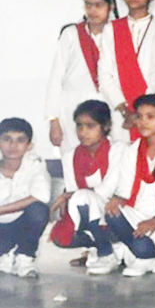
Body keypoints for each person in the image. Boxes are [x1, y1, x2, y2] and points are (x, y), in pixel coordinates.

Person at [91, 94, 155, 277]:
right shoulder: (132, 150)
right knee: (110, 213)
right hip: (137, 214)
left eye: (150, 116)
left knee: (142, 247)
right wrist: (116, 200)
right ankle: (143, 256)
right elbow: (124, 190)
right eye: (139, 116)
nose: (143, 122)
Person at [100, 0, 155, 143]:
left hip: (154, 114)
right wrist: (124, 109)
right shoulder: (111, 29)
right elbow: (104, 74)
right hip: (121, 113)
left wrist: (147, 112)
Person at [49, 0, 117, 152]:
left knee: (112, 156)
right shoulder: (71, 34)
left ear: (111, 6)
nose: (93, 10)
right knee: (74, 157)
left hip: (111, 107)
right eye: (88, 4)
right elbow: (56, 77)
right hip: (73, 107)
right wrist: (53, 119)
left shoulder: (119, 34)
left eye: (99, 5)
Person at [50, 101, 114, 266]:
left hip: (115, 210)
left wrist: (67, 195)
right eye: (79, 126)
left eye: (90, 126)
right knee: (60, 237)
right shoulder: (70, 156)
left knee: (84, 198)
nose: (83, 132)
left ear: (106, 126)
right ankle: (99, 245)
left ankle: (107, 253)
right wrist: (69, 196)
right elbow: (74, 194)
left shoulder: (118, 150)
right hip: (87, 209)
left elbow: (109, 188)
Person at [0, 118, 50, 278]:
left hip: (21, 224)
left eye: (20, 140)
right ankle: (5, 255)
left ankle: (24, 258)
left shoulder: (35, 164)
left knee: (39, 210)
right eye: (6, 139)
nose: (13, 146)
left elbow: (41, 195)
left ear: (29, 145)